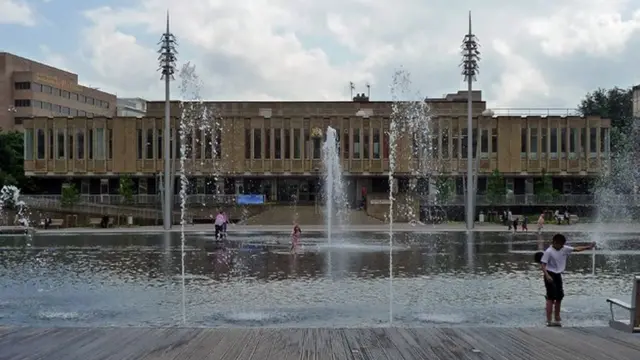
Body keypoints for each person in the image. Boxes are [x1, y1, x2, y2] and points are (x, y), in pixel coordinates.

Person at [538, 233, 595, 327]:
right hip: (550, 274)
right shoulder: (549, 251)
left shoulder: (563, 248)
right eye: (560, 244)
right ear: (555, 242)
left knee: (560, 297)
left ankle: (557, 317)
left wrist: (589, 247)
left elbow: (576, 249)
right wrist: (547, 275)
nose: (562, 246)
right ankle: (548, 320)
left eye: (563, 244)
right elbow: (543, 265)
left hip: (558, 275)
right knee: (551, 298)